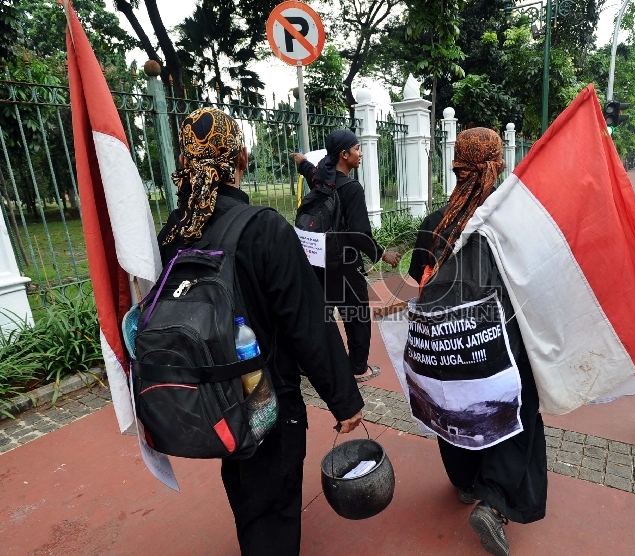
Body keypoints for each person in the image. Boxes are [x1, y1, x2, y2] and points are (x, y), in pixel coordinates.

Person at [158, 108, 364, 556]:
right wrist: (345, 400)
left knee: (242, 479)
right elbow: (308, 322)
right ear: (242, 158)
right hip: (264, 396)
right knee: (274, 501)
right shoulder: (263, 228)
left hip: (205, 393)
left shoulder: (174, 231)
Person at [410, 128, 547, 556]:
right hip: (502, 342)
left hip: (446, 345)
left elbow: (419, 279)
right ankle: (495, 500)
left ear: (456, 164)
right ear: (497, 163)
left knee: (454, 404)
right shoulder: (511, 221)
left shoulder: (437, 222)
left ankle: (467, 482)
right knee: (516, 413)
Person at [291, 131, 401, 383]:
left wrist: (301, 161)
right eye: (357, 149)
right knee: (358, 317)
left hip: (317, 260)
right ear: (344, 155)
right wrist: (383, 254)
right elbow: (360, 232)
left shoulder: (320, 180)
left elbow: (308, 169)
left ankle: (311, 363)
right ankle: (358, 368)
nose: (360, 153)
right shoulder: (351, 188)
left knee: (320, 314)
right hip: (344, 264)